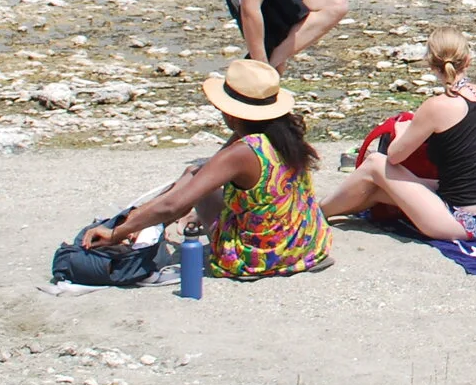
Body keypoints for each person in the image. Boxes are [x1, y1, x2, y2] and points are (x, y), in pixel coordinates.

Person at [80, 59, 332, 279]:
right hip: (308, 243)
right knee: (196, 173)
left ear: (230, 114)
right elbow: (207, 171)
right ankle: (141, 222)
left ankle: (140, 227)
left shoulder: (243, 151)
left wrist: (117, 233)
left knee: (196, 181)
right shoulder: (283, 133)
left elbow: (175, 204)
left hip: (265, 256)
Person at [321, 28, 476, 241]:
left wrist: (402, 130)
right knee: (376, 192)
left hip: (464, 222)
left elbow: (394, 157)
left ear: (431, 65)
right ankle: (328, 211)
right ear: (468, 60)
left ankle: (316, 213)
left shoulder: (436, 106)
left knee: (375, 162)